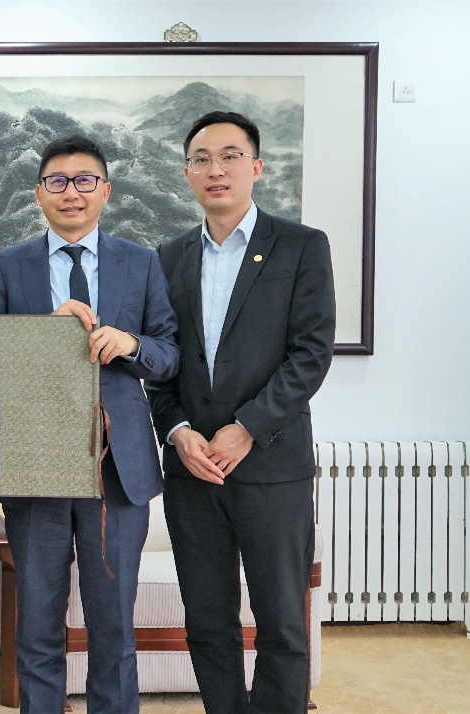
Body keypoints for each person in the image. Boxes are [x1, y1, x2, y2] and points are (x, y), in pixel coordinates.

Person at [0, 136, 179, 713]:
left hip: (117, 468)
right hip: (36, 465)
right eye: (57, 182)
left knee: (113, 623)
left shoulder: (140, 262)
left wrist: (131, 343)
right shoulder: (4, 267)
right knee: (38, 623)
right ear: (39, 193)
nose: (72, 193)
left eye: (85, 180)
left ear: (105, 191)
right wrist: (46, 331)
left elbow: (169, 355)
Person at [146, 111, 335, 713]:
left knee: (281, 621)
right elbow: (160, 360)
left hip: (271, 467)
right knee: (207, 620)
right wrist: (177, 431)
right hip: (192, 468)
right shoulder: (167, 257)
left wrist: (246, 428)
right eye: (202, 159)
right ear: (187, 173)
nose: (216, 169)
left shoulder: (301, 246)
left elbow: (311, 354)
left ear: (256, 167)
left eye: (230, 156)